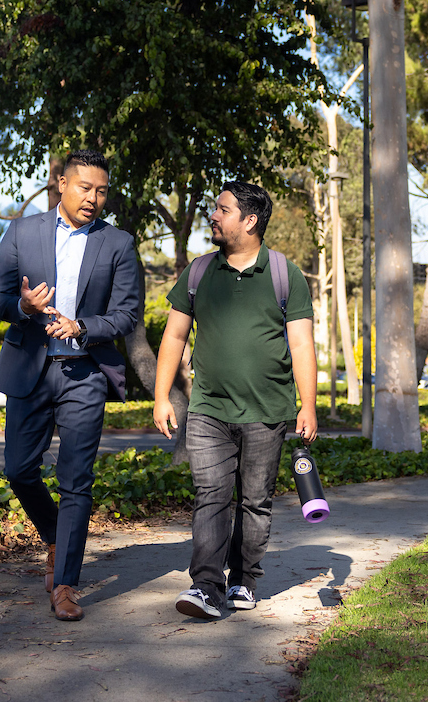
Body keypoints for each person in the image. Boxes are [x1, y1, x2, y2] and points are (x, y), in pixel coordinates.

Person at [0, 149, 141, 622]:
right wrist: (24, 307)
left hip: (84, 373)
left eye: (102, 191)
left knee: (76, 480)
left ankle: (67, 585)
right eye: (85, 188)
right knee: (18, 470)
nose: (94, 198)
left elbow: (127, 314)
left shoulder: (118, 243)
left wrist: (83, 327)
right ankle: (57, 537)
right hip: (29, 368)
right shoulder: (22, 231)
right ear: (61, 184)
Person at [153, 180, 318, 620]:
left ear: (249, 220)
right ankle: (206, 584)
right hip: (209, 407)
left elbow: (301, 345)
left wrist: (309, 404)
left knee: (255, 500)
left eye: (222, 210)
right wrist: (161, 396)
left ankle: (244, 578)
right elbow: (174, 334)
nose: (213, 215)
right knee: (211, 494)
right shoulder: (199, 271)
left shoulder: (285, 274)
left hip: (268, 410)